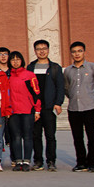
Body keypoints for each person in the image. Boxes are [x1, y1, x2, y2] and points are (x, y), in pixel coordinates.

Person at [64, 41, 94, 173]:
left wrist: (92, 98)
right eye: (74, 52)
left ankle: (92, 162)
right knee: (77, 138)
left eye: (79, 51)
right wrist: (73, 97)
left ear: (84, 52)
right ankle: (81, 162)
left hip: (90, 108)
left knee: (91, 137)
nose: (77, 54)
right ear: (71, 54)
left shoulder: (93, 67)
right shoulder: (68, 71)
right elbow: (66, 88)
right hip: (74, 109)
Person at [27, 39, 65, 171]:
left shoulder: (55, 68)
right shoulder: (31, 67)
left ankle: (51, 161)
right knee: (35, 136)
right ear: (35, 51)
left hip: (49, 107)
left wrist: (58, 103)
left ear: (48, 50)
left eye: (44, 48)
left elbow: (60, 87)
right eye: (39, 49)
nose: (41, 51)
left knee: (50, 136)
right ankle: (38, 161)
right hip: (34, 108)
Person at [7, 51, 41, 172]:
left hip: (27, 110)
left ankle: (26, 161)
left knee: (27, 136)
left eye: (18, 59)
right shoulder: (7, 77)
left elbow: (36, 93)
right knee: (15, 137)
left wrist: (37, 110)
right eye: (13, 59)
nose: (15, 62)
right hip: (13, 111)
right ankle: (18, 161)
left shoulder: (29, 75)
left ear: (22, 61)